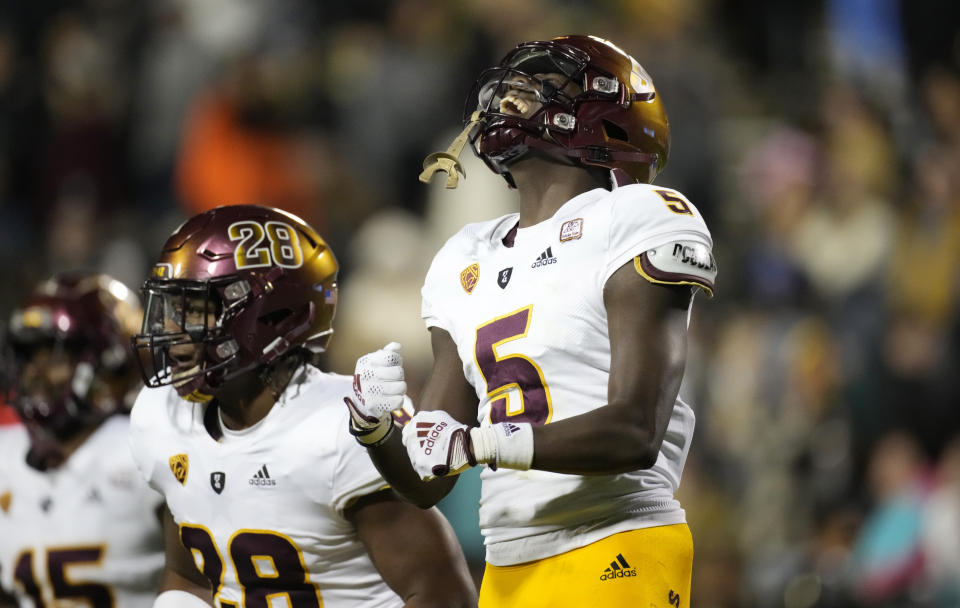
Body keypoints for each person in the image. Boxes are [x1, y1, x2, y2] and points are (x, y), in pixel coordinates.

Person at [345, 35, 717, 607]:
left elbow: (635, 431)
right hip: (506, 567)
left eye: (537, 88)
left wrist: (479, 444)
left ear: (604, 115)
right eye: (511, 87)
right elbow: (430, 475)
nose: (509, 99)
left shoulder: (636, 218)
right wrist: (376, 430)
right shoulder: (464, 258)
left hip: (614, 545)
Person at [128, 204, 476, 608]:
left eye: (195, 310)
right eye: (171, 308)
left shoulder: (342, 427)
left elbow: (444, 598)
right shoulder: (162, 418)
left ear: (268, 316)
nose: (171, 330)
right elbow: (190, 579)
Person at [0, 273, 165, 606]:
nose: (35, 373)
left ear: (112, 361)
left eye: (57, 357)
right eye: (31, 357)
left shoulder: (148, 450)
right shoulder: (6, 453)